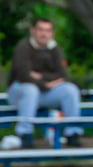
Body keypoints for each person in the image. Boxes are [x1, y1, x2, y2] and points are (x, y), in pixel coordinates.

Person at [7, 18, 83, 148]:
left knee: (70, 90)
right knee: (30, 89)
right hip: (19, 92)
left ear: (52, 33)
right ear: (33, 31)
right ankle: (24, 134)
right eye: (40, 29)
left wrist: (40, 77)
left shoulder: (55, 48)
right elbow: (23, 75)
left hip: (43, 92)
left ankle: (72, 133)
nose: (44, 34)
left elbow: (62, 75)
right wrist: (45, 83)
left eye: (47, 30)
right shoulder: (23, 46)